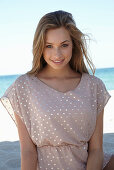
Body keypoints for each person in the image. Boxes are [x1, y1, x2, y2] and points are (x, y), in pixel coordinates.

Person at [0, 10, 114, 170]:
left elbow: (96, 150)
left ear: (74, 44)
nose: (57, 54)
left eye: (64, 45)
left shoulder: (94, 86)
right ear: (40, 46)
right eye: (49, 46)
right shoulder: (23, 86)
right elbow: (27, 152)